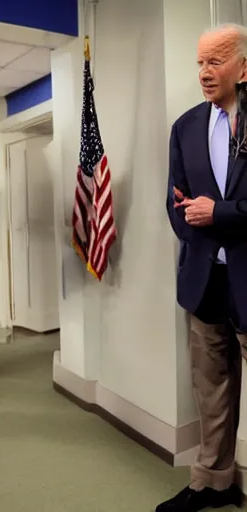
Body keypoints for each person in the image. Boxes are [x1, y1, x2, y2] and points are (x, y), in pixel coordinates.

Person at [159, 24, 247, 512]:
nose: (204, 73)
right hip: (203, 279)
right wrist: (201, 224)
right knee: (210, 389)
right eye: (200, 63)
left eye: (215, 62)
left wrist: (220, 214)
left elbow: (218, 207)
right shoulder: (186, 126)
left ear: (243, 67)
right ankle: (212, 483)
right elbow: (176, 205)